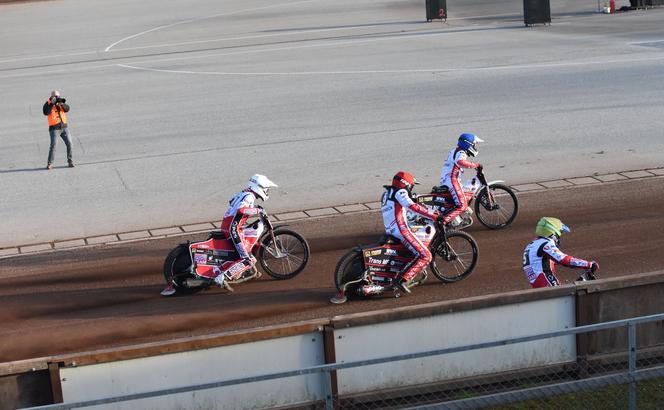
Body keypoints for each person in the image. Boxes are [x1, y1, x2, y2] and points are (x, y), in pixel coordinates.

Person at [213, 174, 278, 290]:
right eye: (266, 189)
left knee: (245, 249)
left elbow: (232, 201)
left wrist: (254, 208)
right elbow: (241, 209)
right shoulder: (249, 196)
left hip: (229, 226)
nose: (267, 191)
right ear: (260, 188)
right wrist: (258, 210)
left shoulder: (244, 193)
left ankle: (249, 271)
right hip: (233, 229)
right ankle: (222, 276)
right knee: (247, 259)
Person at [381, 171, 441, 294]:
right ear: (406, 184)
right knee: (426, 256)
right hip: (401, 230)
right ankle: (402, 279)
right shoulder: (400, 192)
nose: (411, 188)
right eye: (411, 186)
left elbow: (398, 209)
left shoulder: (387, 193)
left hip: (390, 228)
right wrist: (433, 215)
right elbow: (411, 206)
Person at [522, 217, 599, 288]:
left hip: (538, 284)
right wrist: (589, 264)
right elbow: (564, 260)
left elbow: (546, 262)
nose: (559, 238)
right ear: (553, 233)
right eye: (560, 234)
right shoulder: (545, 243)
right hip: (547, 283)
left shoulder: (532, 245)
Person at [439, 133, 483, 226]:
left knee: (457, 201)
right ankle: (442, 223)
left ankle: (453, 219)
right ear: (468, 144)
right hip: (452, 180)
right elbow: (460, 162)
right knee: (462, 206)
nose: (474, 146)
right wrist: (475, 165)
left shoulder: (455, 150)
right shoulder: (461, 153)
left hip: (447, 179)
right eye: (474, 144)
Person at [43, 90, 74, 169]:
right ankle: (50, 163)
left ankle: (70, 161)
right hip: (54, 129)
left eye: (58, 96)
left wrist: (62, 104)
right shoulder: (47, 104)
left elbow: (67, 109)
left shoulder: (60, 103)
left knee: (70, 143)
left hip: (64, 127)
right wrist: (51, 103)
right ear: (52, 96)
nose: (57, 98)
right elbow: (46, 112)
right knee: (53, 146)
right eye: (55, 96)